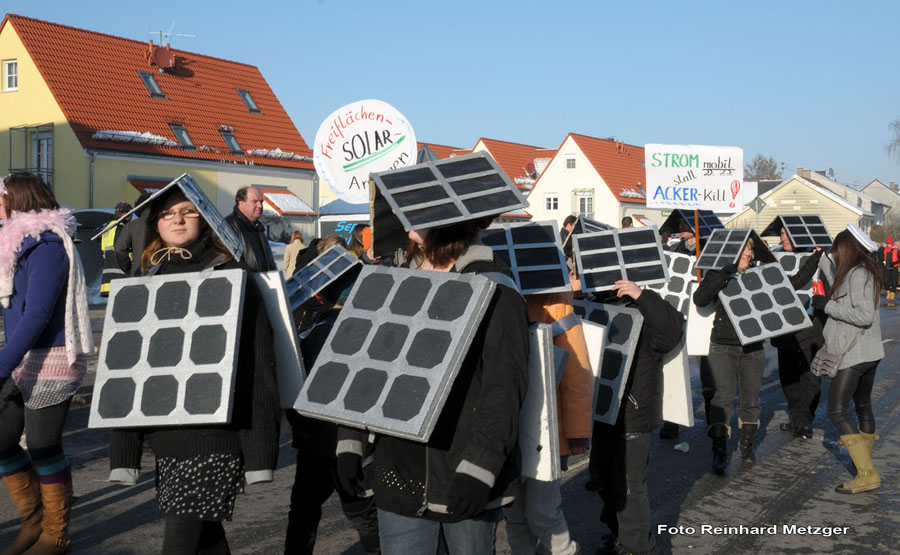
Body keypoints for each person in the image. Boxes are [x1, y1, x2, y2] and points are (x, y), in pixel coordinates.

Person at [336, 218, 529, 554]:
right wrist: (350, 441)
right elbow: (366, 365)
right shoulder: (395, 278)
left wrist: (480, 467)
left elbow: (504, 385)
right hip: (398, 471)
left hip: (463, 473)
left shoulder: (494, 285)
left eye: (419, 214)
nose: (407, 221)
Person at [109, 188, 280, 554]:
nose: (177, 219)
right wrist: (125, 451)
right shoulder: (145, 282)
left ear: (204, 219)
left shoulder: (233, 275)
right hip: (168, 439)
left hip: (217, 437)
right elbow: (129, 374)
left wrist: (260, 453)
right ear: (155, 224)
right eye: (167, 214)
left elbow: (259, 366)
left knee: (181, 538)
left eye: (187, 211)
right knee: (205, 537)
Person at [0, 173, 93, 554]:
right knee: (3, 441)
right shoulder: (18, 243)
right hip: (22, 358)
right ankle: (33, 519)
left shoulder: (47, 245)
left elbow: (37, 314)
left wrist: (1, 365)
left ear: (17, 200)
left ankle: (55, 533)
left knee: (42, 446)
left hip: (52, 359)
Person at [693, 238, 821, 473]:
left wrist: (814, 259)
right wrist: (725, 273)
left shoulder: (759, 274)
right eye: (743, 249)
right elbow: (700, 299)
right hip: (722, 346)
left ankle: (747, 446)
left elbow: (792, 284)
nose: (747, 253)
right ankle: (719, 450)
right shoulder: (718, 273)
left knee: (751, 401)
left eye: (750, 249)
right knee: (721, 400)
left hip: (753, 348)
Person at [284, 260, 380, 554]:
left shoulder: (318, 329)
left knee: (304, 513)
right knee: (362, 513)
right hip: (349, 441)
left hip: (317, 441)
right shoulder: (365, 328)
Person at [591, 281, 684, 555]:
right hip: (603, 411)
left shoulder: (647, 305)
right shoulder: (595, 302)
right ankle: (619, 537)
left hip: (634, 412)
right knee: (603, 477)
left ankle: (639, 548)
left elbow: (670, 334)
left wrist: (641, 296)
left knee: (629, 487)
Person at [504, 291, 593, 555]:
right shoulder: (496, 292)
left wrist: (578, 433)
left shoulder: (556, 305)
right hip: (504, 429)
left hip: (545, 432)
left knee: (542, 513)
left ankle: (565, 551)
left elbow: (577, 377)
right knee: (514, 515)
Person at [813, 229, 884, 494]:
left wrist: (826, 306)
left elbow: (864, 315)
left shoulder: (858, 274)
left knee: (836, 410)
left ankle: (866, 473)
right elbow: (843, 289)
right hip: (869, 352)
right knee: (862, 406)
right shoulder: (862, 271)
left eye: (836, 250)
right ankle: (863, 465)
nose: (834, 255)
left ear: (846, 249)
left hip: (854, 354)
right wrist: (822, 261)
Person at [773, 226, 826, 440]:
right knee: (789, 379)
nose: (783, 237)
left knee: (810, 378)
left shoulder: (819, 258)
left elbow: (824, 291)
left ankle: (804, 421)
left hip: (811, 329)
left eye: (788, 233)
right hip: (784, 330)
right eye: (781, 233)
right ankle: (797, 418)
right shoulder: (775, 259)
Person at [225, 186, 276, 272]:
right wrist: (253, 279)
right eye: (254, 201)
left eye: (261, 202)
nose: (260, 206)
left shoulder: (258, 227)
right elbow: (230, 264)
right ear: (241, 203)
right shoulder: (230, 226)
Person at [113, 193, 151, 276]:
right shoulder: (165, 223)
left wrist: (129, 268)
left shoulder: (131, 226)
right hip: (162, 273)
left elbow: (119, 249)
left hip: (137, 272)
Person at [99, 201, 132, 296]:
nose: (131, 217)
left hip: (108, 276)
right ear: (125, 214)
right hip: (121, 275)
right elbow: (122, 250)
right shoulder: (121, 228)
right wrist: (130, 268)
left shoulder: (108, 228)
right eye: (131, 214)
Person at [881, 237, 898, 307]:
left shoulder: (896, 250)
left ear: (891, 243)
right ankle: (888, 293)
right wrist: (884, 262)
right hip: (887, 268)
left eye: (889, 243)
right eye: (887, 243)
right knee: (886, 281)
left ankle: (892, 296)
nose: (888, 244)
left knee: (894, 282)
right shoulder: (885, 250)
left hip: (894, 268)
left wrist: (895, 263)